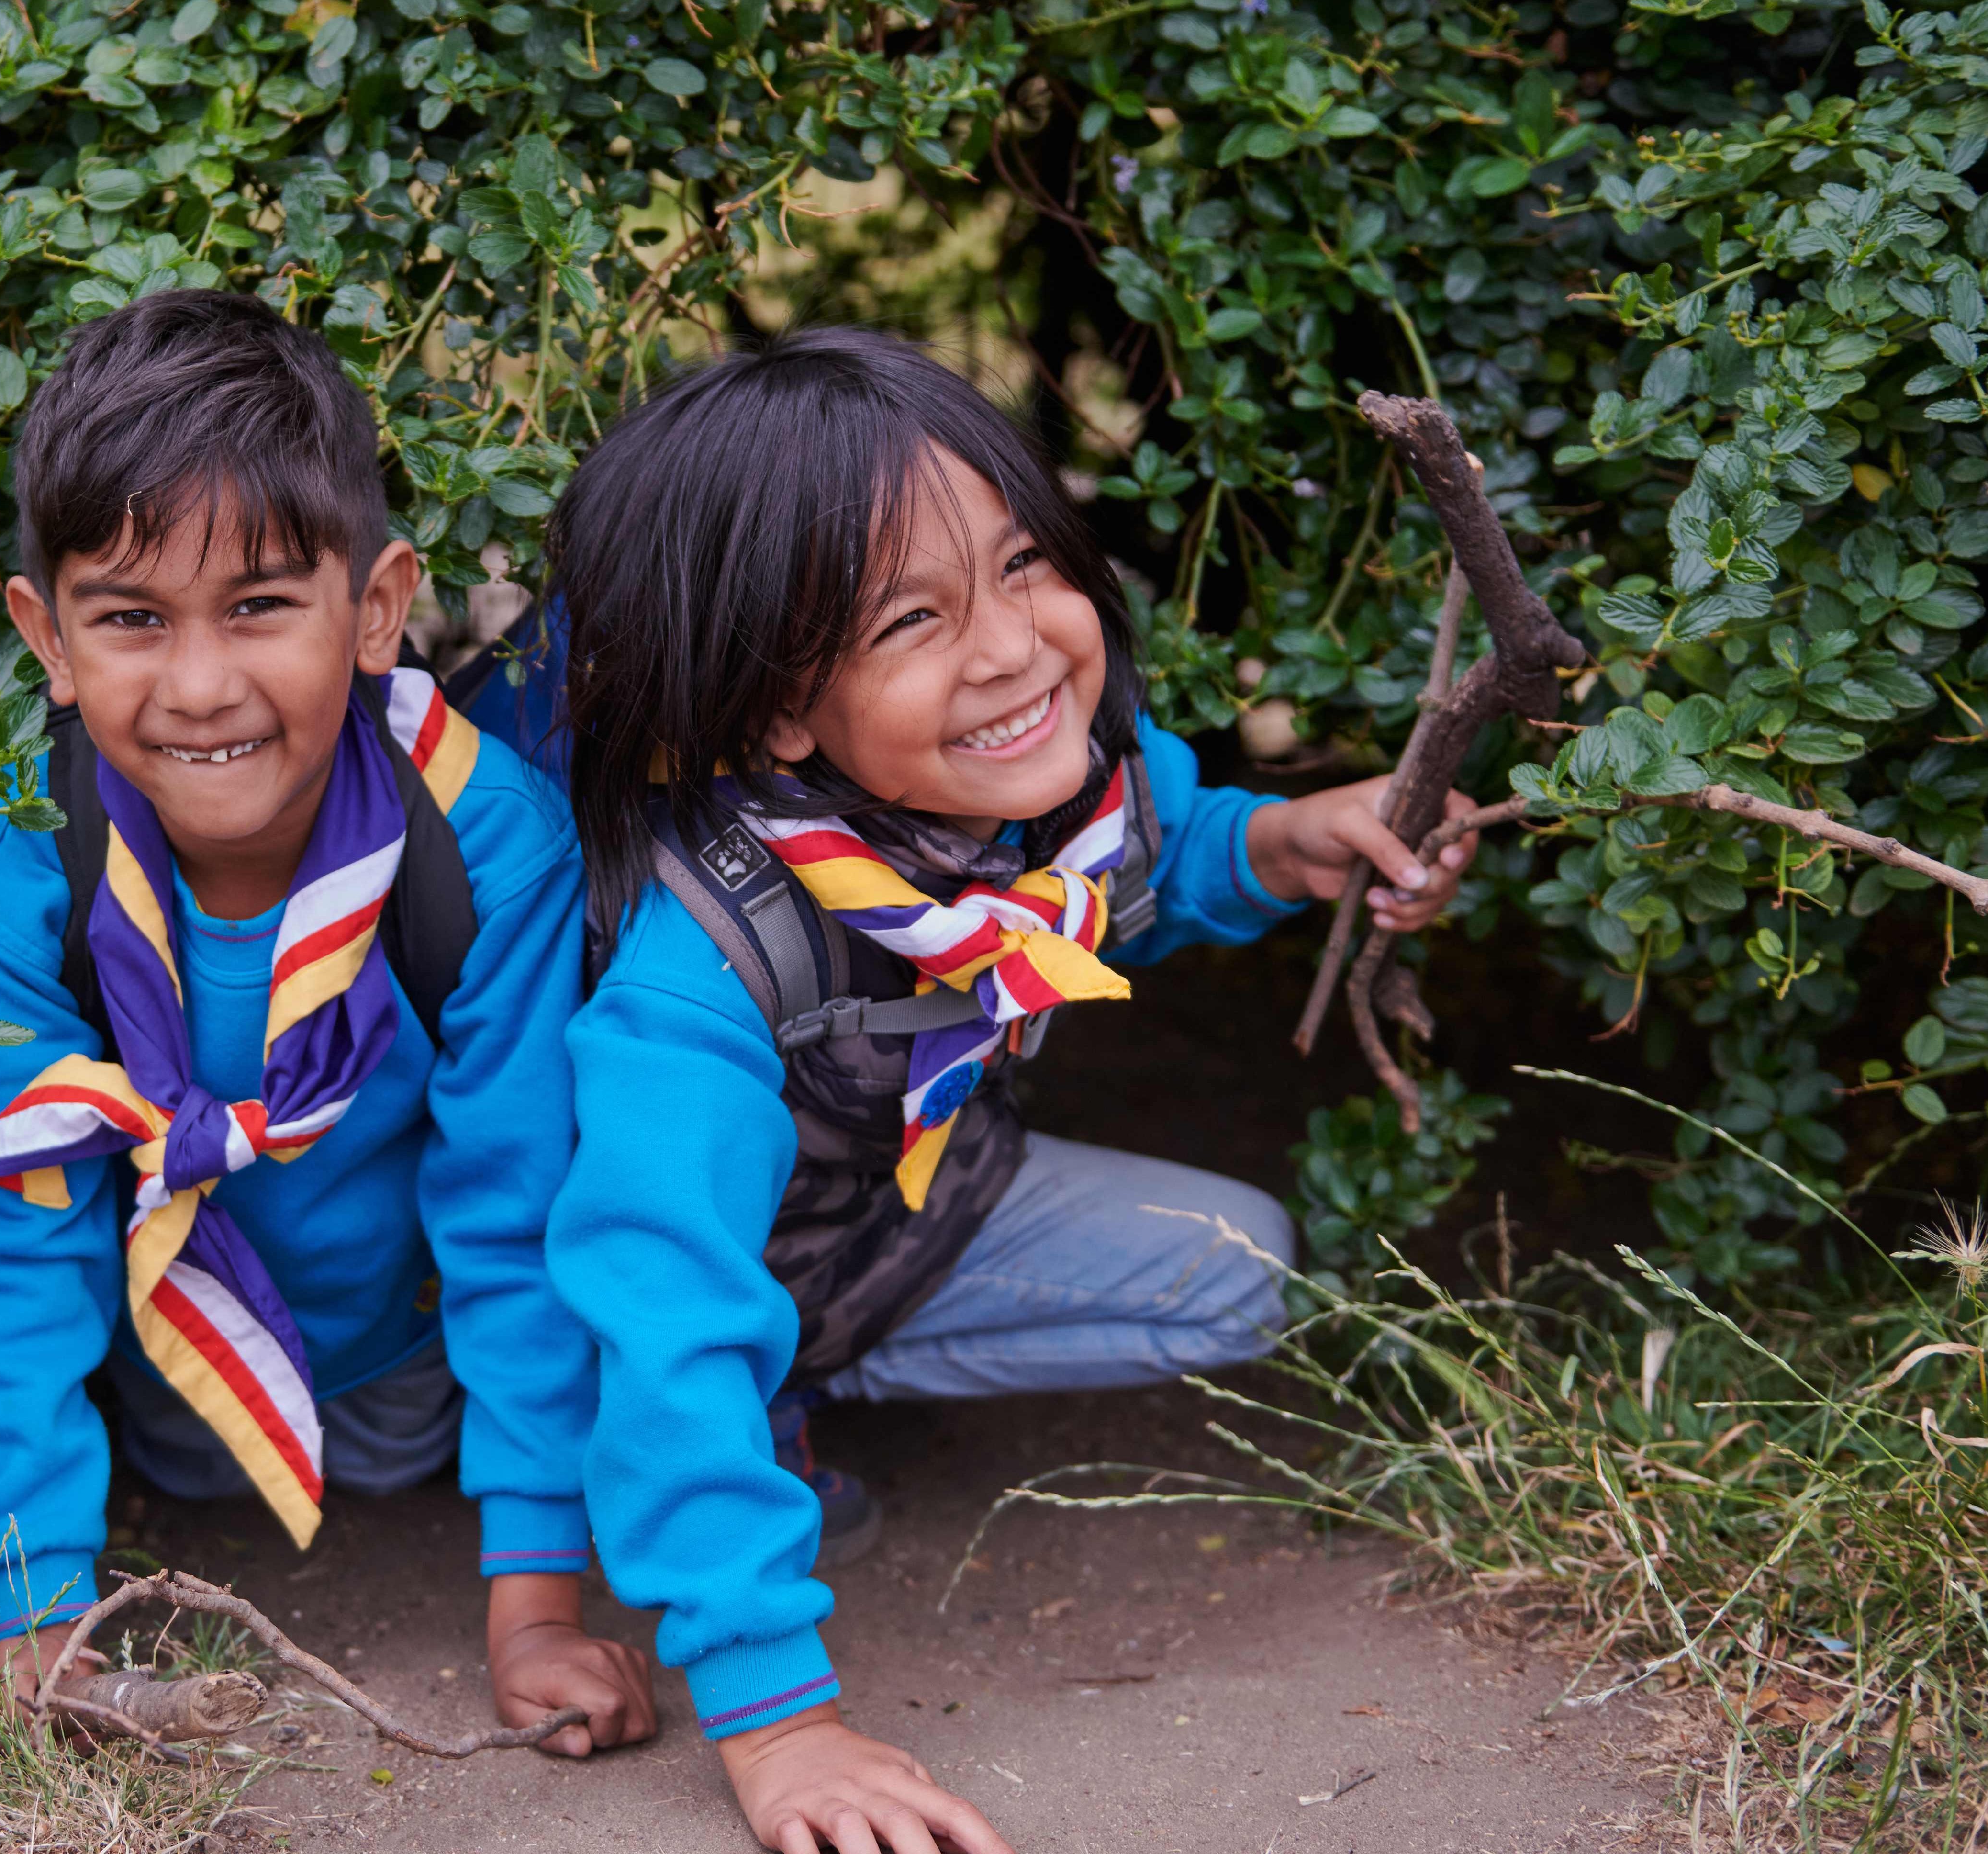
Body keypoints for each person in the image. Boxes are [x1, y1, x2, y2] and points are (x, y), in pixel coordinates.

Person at [536, 328, 1478, 1853]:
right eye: (912, 617)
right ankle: (725, 1438)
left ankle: (811, 1382)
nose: (1015, 648)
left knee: (1237, 1271)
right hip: (704, 1283)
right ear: (779, 710)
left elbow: (1158, 848)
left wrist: (1287, 844)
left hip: (914, 1214)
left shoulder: (1065, 786)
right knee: (678, 1367)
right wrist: (782, 1726)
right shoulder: (698, 974)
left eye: (1026, 561)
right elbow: (660, 1303)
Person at [0, 289, 653, 1757]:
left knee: (435, 1412)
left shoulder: (486, 844)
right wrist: (33, 1603)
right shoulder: (9, 874)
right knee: (191, 1471)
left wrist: (540, 1608)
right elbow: (10, 1248)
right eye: (129, 618)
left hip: (409, 1369)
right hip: (170, 1385)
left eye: (259, 604)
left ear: (377, 610)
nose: (200, 684)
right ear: (46, 637)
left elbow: (518, 1212)